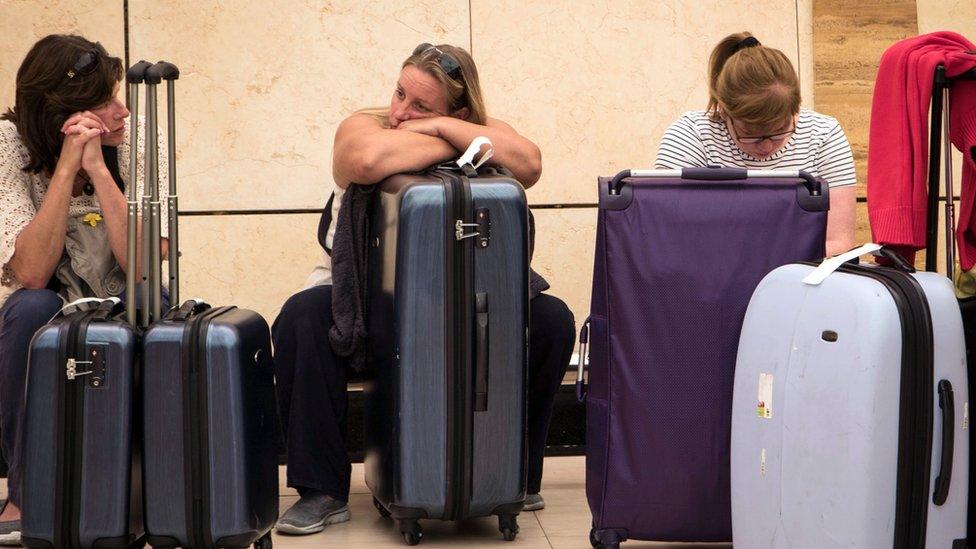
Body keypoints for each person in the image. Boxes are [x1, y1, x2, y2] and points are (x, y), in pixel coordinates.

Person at [272, 43, 576, 535]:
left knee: (550, 321)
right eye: (399, 93)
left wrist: (440, 132)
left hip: (452, 301)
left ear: (459, 110)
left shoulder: (481, 128)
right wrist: (458, 141)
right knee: (301, 318)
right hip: (367, 297)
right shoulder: (365, 124)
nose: (400, 113)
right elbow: (368, 160)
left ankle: (512, 474)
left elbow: (530, 164)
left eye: (420, 107)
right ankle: (321, 490)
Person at [0, 34, 168, 546]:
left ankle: (149, 492)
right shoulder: (8, 145)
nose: (122, 112)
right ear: (62, 116)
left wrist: (98, 166)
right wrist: (67, 167)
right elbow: (28, 272)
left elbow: (142, 266)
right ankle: (23, 496)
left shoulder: (135, 137)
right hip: (50, 299)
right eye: (106, 103)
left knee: (154, 307)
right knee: (30, 308)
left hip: (120, 294)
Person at [655, 31, 857, 256]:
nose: (766, 146)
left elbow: (840, 242)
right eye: (751, 133)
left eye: (780, 131)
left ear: (796, 107)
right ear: (723, 110)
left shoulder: (823, 134)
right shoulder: (691, 135)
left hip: (799, 280)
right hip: (710, 278)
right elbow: (670, 236)